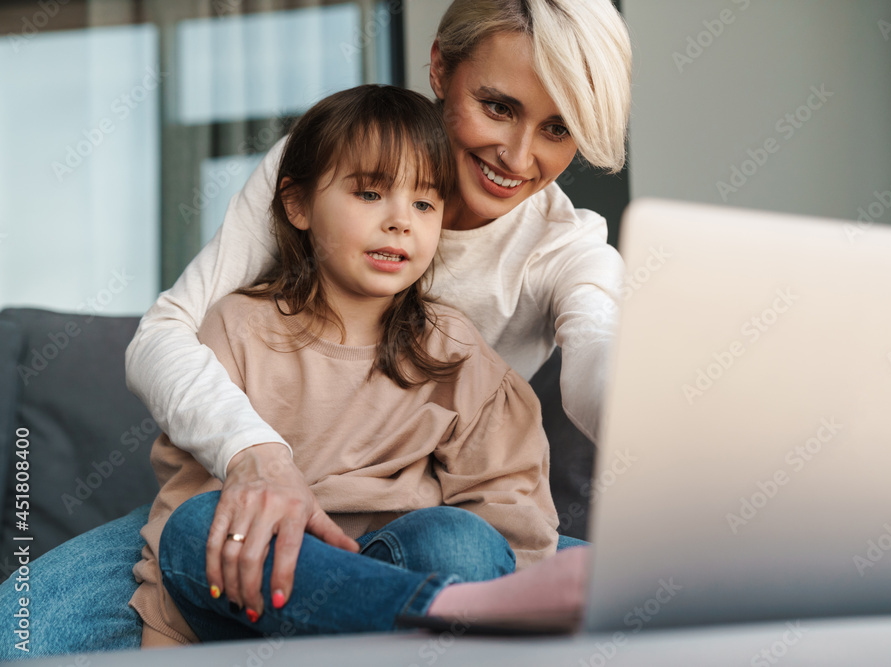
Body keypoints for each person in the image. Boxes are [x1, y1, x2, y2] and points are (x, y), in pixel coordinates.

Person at [0, 0, 630, 658]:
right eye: (497, 106)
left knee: (616, 586)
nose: (517, 154)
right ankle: (434, 613)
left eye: (558, 129)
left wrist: (660, 429)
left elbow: (595, 361)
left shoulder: (567, 251)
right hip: (264, 500)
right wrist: (257, 458)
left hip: (430, 513)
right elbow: (164, 336)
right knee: (25, 632)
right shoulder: (322, 165)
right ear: (440, 67)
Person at [135, 83, 582, 647]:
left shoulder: (455, 351)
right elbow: (187, 511)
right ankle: (437, 610)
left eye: (424, 204)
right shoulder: (237, 328)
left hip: (412, 573)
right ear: (297, 204)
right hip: (269, 600)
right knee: (193, 528)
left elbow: (511, 505)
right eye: (370, 194)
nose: (401, 222)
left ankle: (441, 608)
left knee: (462, 540)